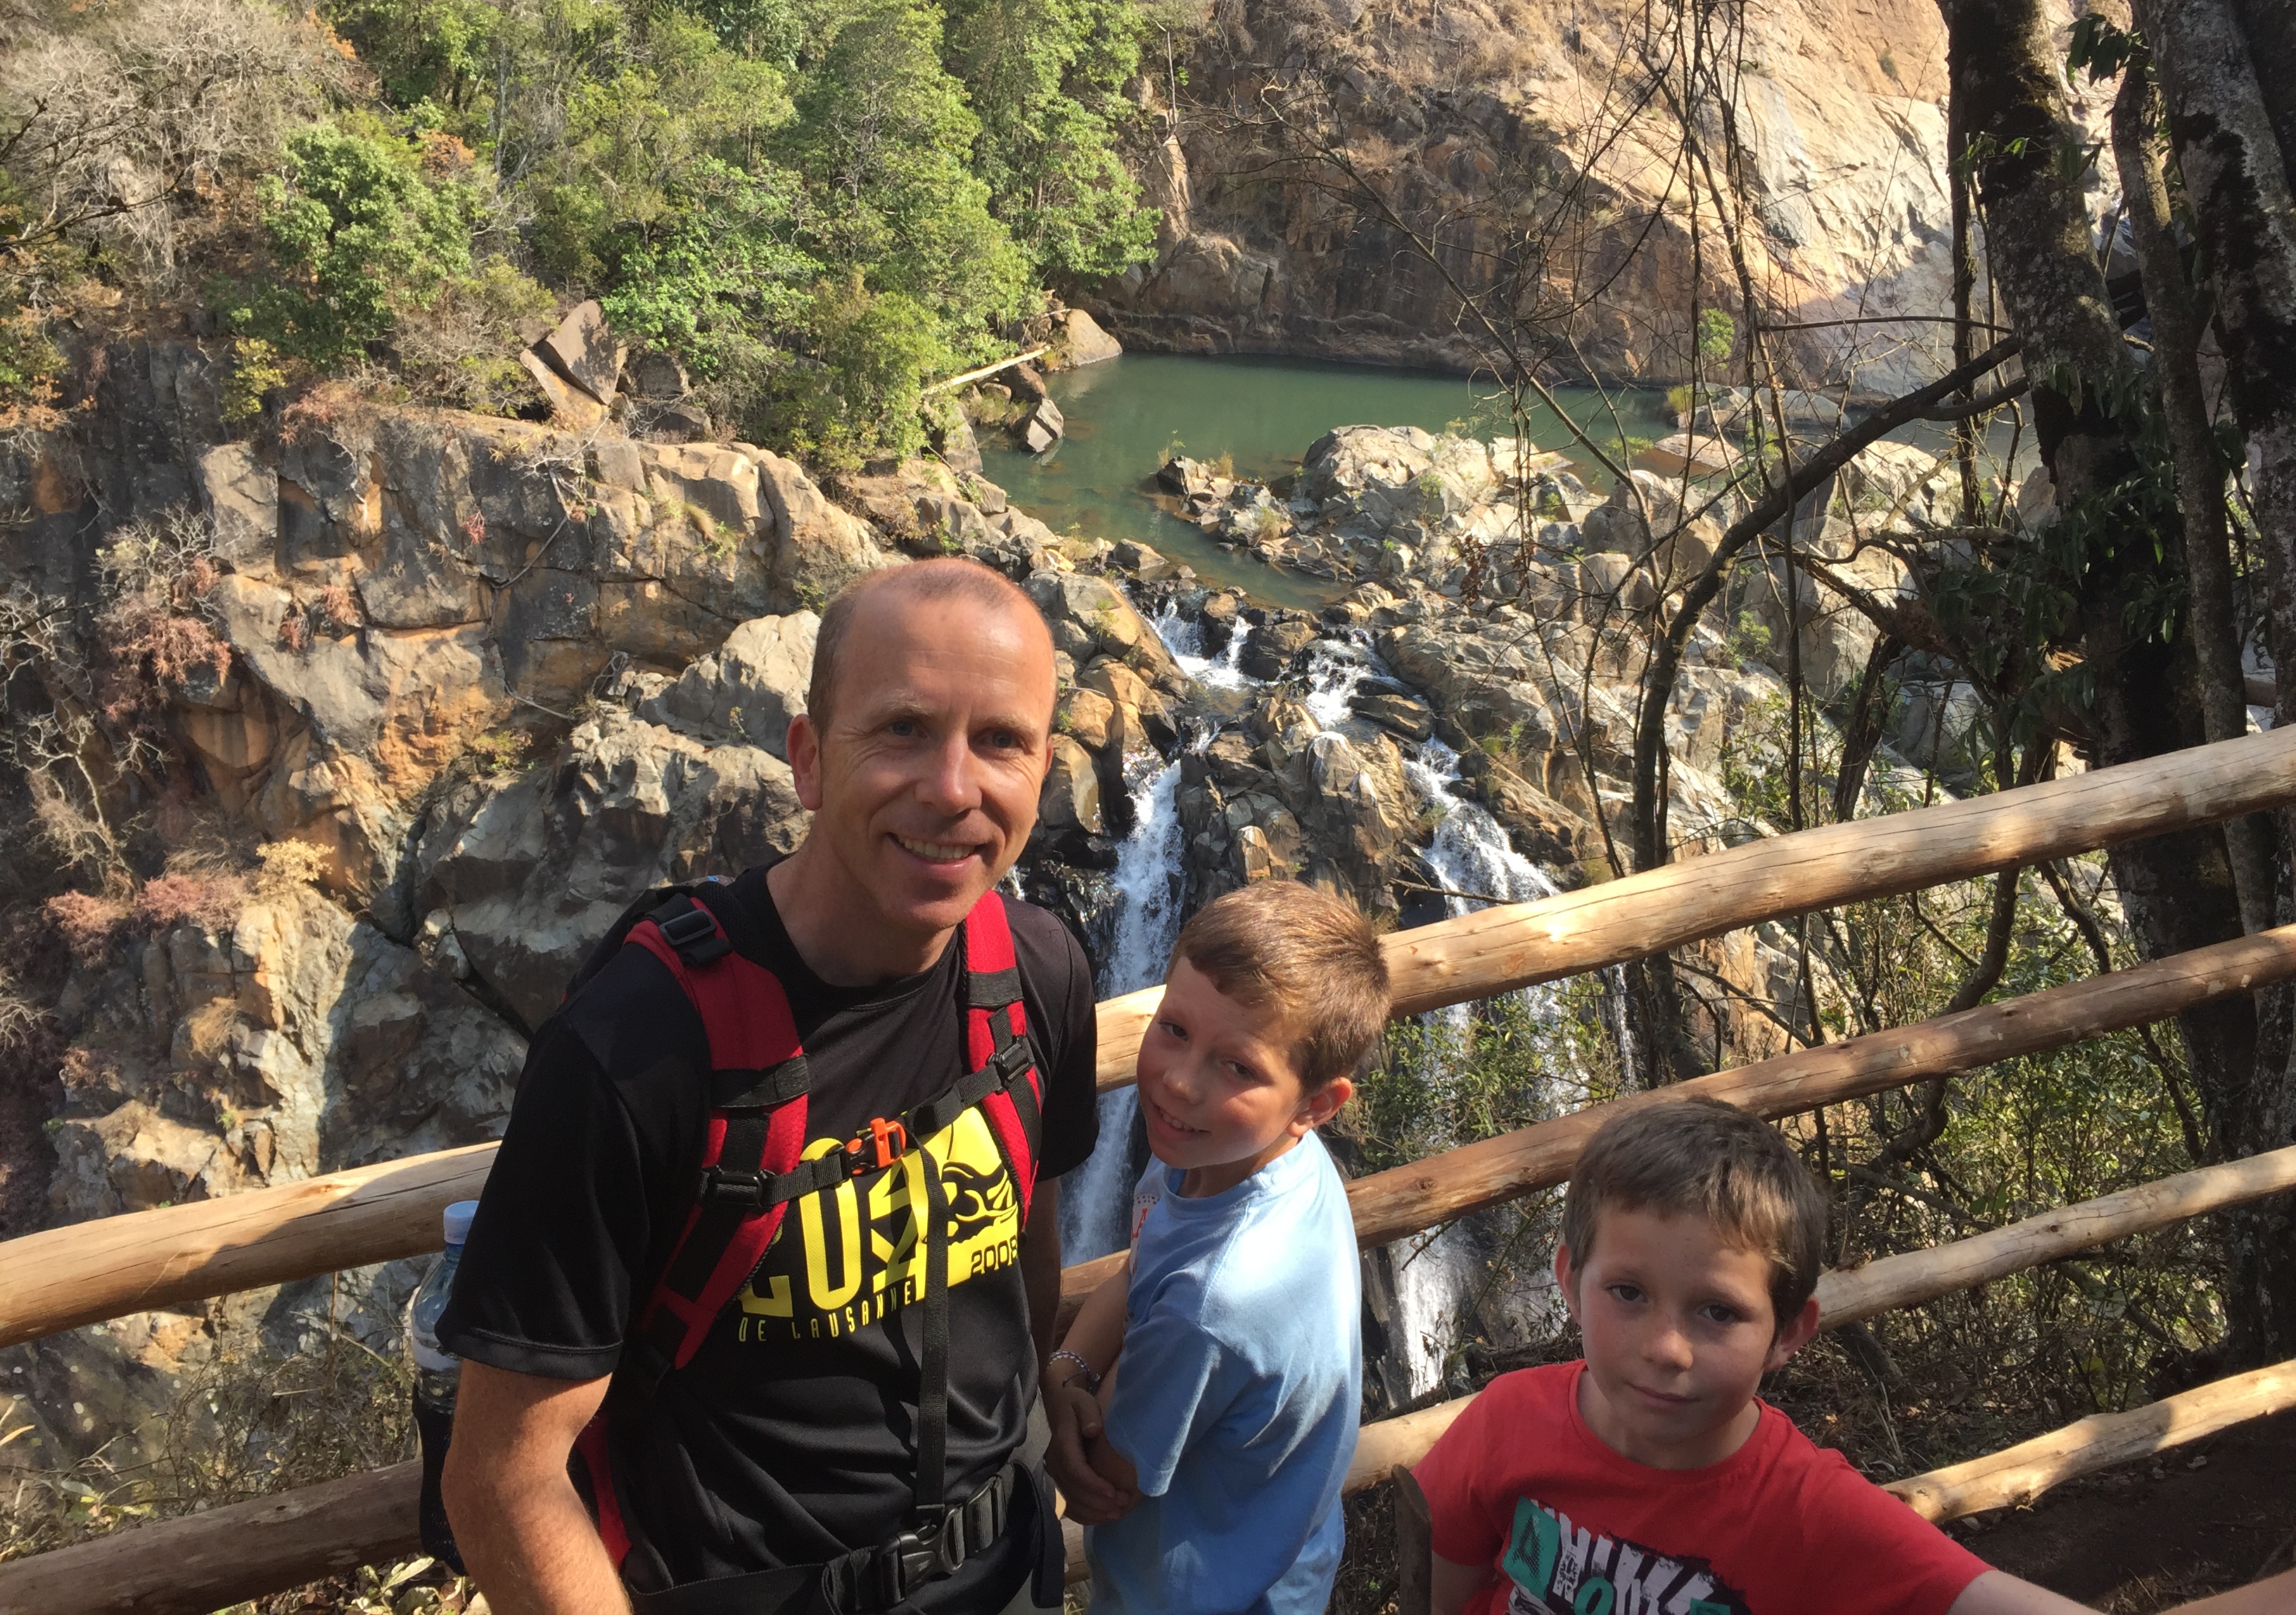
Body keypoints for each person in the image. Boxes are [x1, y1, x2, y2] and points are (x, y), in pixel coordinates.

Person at [437, 558, 1101, 1615]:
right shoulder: (638, 1048)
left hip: (1005, 1568)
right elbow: (502, 1477)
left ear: (1043, 768)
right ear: (809, 759)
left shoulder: (1037, 973)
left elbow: (1029, 1239)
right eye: (903, 729)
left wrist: (1055, 1377)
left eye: (1001, 741)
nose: (953, 788)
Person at [1415, 1097, 2296, 1615]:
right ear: (1570, 1281)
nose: (1666, 1349)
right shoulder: (1508, 1420)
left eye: (1718, 1312)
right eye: (1628, 1293)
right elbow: (1440, 1590)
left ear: (1788, 1333)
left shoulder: (1810, 1512)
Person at [1044, 880, 1391, 1615]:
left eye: (1238, 1067)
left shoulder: (1213, 1303)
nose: (1178, 1081)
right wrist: (1068, 1369)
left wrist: (1061, 1409)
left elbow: (1106, 1476)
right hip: (1280, 1557)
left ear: (1316, 1105)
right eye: (1173, 1028)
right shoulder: (1247, 1155)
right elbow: (1142, 1266)